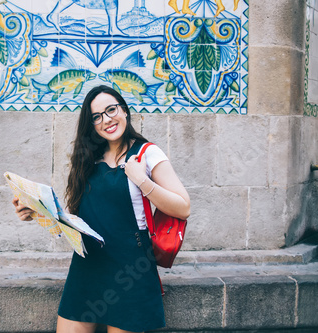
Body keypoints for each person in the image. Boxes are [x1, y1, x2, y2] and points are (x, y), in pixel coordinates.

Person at [12, 85, 190, 333]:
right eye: (97, 116)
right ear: (92, 125)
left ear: (124, 111)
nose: (106, 120)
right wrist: (38, 211)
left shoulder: (147, 153)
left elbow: (183, 207)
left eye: (111, 110)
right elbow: (80, 220)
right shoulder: (89, 160)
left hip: (129, 269)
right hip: (88, 265)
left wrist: (142, 180)